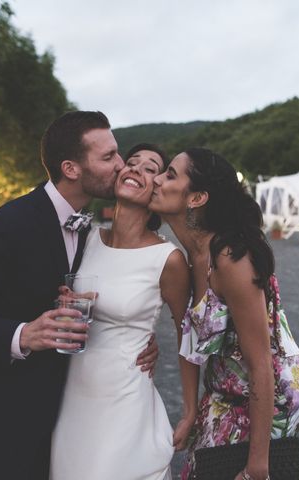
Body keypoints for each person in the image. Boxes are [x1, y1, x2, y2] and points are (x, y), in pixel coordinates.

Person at [0, 112, 159, 479]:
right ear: (71, 168)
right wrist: (22, 334)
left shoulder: (89, 232)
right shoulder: (7, 225)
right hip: (6, 413)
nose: (121, 166)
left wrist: (139, 338)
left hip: (68, 412)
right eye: (108, 157)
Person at [149, 147, 299, 480]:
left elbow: (261, 362)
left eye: (169, 175)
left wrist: (258, 467)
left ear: (196, 198)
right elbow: (188, 339)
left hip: (271, 392)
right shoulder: (190, 257)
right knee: (201, 468)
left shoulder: (230, 257)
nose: (156, 180)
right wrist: (190, 410)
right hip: (222, 389)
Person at [50, 143, 196, 479]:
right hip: (72, 393)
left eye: (150, 168)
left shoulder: (167, 259)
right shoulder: (84, 238)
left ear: (158, 187)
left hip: (125, 396)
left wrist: (190, 410)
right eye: (131, 163)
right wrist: (62, 300)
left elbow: (186, 332)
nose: (136, 170)